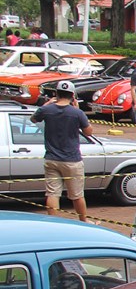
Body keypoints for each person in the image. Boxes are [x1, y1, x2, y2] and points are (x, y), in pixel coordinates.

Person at [32, 80, 93, 221]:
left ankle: (53, 222)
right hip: (72, 159)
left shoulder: (47, 110)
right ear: (72, 95)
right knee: (77, 194)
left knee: (53, 193)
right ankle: (83, 221)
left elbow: (34, 118)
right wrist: (80, 111)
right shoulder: (77, 113)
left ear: (56, 94)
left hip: (52, 158)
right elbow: (89, 132)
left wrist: (47, 104)